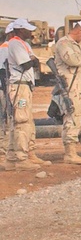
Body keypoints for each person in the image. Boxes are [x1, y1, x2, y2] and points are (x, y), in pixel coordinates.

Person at [3, 18, 48, 171]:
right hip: (19, 86)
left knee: (24, 121)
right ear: (20, 30)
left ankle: (15, 155)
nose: (31, 32)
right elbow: (27, 64)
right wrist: (33, 60)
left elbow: (34, 62)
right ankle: (21, 158)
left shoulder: (24, 44)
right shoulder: (15, 43)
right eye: (28, 29)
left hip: (25, 86)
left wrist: (33, 60)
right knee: (21, 121)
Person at [53, 20, 81, 165]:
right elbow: (73, 61)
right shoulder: (64, 43)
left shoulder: (75, 45)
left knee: (77, 116)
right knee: (71, 117)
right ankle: (70, 152)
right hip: (69, 86)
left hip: (78, 86)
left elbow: (80, 70)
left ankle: (72, 151)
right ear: (80, 31)